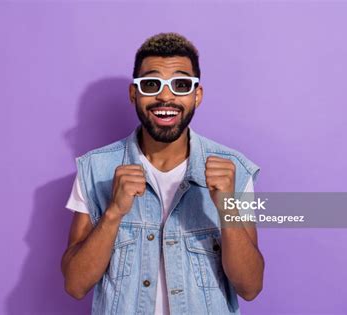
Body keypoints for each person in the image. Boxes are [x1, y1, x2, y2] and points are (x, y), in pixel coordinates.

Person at [61, 32, 264, 315]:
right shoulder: (95, 170)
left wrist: (226, 211)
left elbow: (250, 287)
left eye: (181, 84)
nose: (165, 96)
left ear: (197, 95)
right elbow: (75, 284)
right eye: (151, 84)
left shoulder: (234, 172)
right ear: (134, 94)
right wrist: (113, 214)